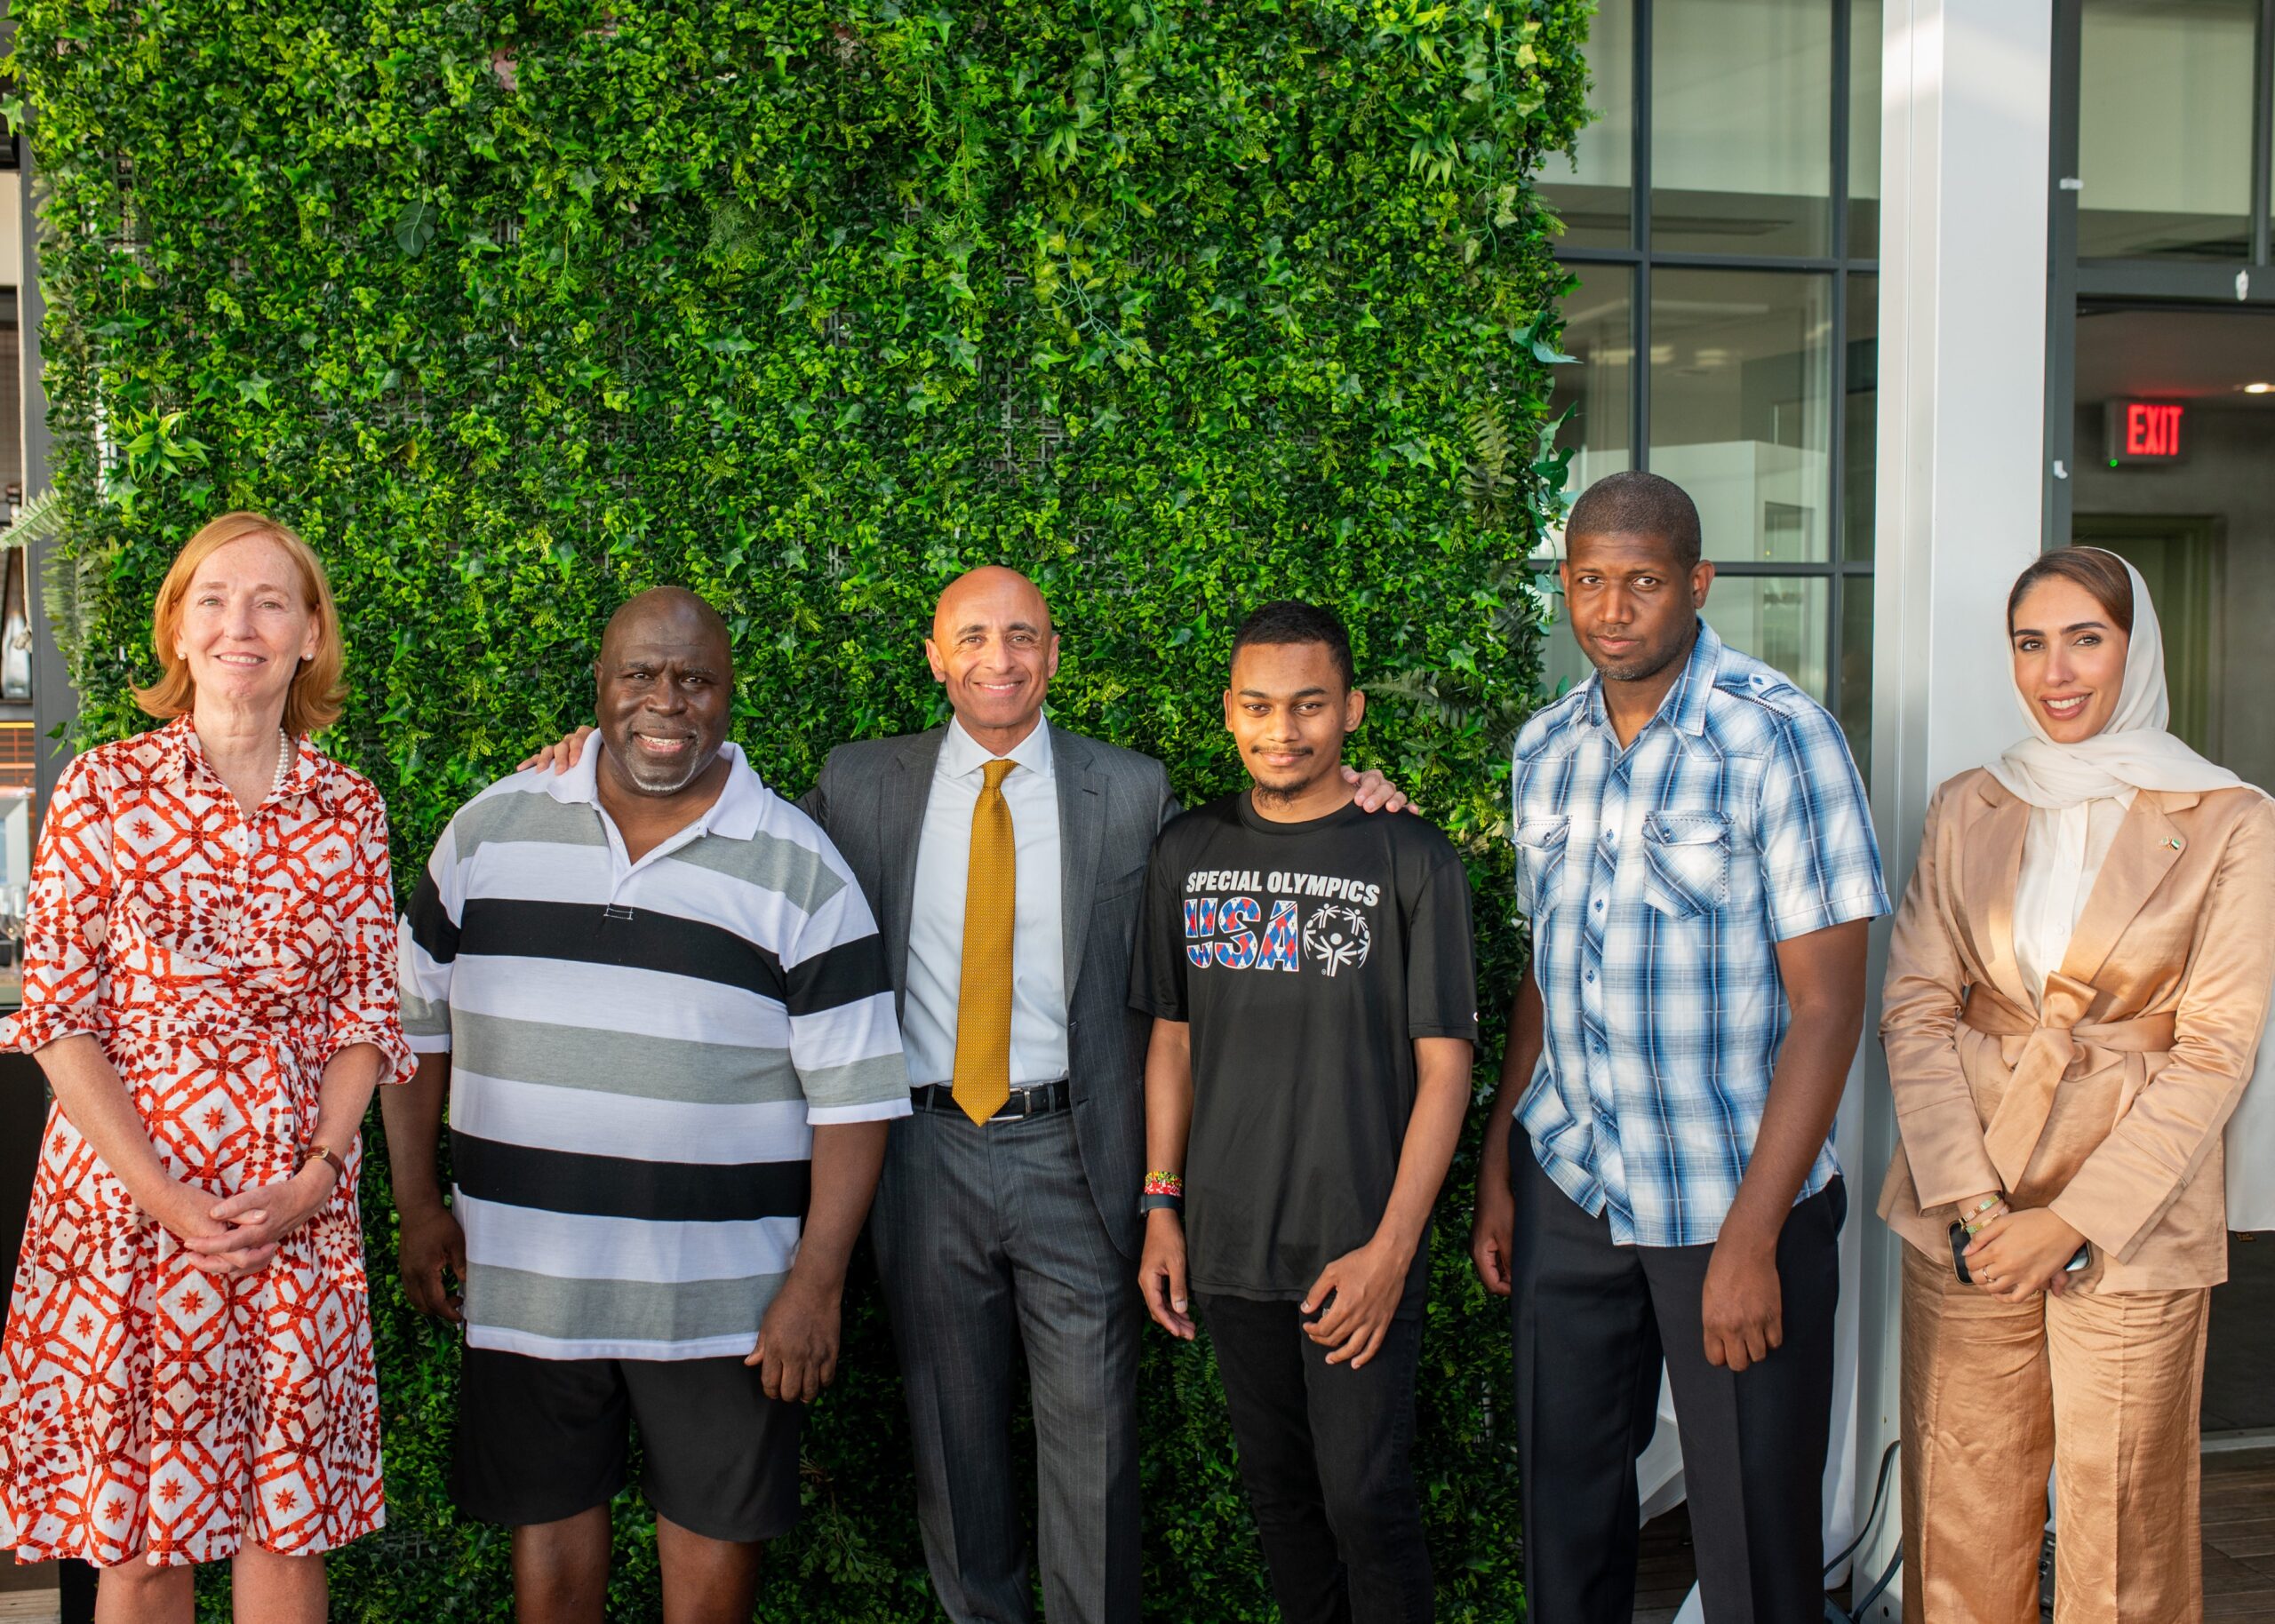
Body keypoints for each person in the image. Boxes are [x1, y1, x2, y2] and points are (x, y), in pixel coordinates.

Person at [525, 564, 1409, 1624]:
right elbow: (726, 824)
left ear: (1053, 654)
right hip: (920, 1154)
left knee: (1095, 1448)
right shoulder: (859, 785)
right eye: (974, 637)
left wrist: (1361, 796)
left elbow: (1247, 852)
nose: (1000, 658)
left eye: (1023, 636)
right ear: (936, 657)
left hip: (1076, 1154)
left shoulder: (1129, 790)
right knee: (952, 1447)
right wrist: (584, 765)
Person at [385, 588, 909, 1624]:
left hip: (724, 1297)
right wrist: (416, 1206)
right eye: (640, 674)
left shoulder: (800, 864)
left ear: (726, 696)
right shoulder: (488, 832)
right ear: (599, 683)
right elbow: (412, 1035)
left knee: (713, 1556)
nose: (665, 700)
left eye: (694, 679)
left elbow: (855, 1096)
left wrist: (815, 1283)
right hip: (527, 1273)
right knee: (549, 1544)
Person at [1468, 471, 1888, 1624]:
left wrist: (1751, 1240)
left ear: (1696, 584)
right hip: (1573, 1183)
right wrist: (1507, 1166)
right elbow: (1551, 972)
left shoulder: (1780, 738)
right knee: (1566, 1525)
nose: (1612, 609)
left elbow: (1830, 1008)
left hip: (1731, 1203)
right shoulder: (1545, 747)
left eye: (1643, 583)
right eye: (1589, 581)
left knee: (1753, 1547)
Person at [0, 511, 414, 1624]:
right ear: (177, 628)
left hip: (295, 1209)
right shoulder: (100, 791)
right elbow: (58, 1019)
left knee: (288, 1538)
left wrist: (320, 1174)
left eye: (272, 601)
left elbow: (363, 1017)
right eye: (215, 599)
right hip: (128, 1215)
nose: (243, 624)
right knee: (140, 1544)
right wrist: (166, 1197)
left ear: (309, 634)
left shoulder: (352, 809)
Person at [1879, 547, 2275, 1623]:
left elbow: (2215, 1051)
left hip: (2134, 1214)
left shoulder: (2232, 816)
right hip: (1968, 1201)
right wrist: (1971, 1202)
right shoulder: (1968, 804)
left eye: (2084, 637)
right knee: (1959, 1508)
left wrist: (2075, 1220)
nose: (2054, 671)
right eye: (2029, 641)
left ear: (2133, 646)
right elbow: (1914, 1009)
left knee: (2121, 1533)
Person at [1131, 601, 1476, 1624]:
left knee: (1366, 1500)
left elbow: (1447, 1068)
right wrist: (1161, 1204)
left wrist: (1391, 1252)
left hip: (1356, 1246)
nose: (1283, 729)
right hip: (1232, 1245)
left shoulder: (1411, 857)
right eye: (1258, 705)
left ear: (1351, 711)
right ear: (1228, 713)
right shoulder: (1184, 850)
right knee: (1280, 1503)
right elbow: (1172, 1040)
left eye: (1309, 705)